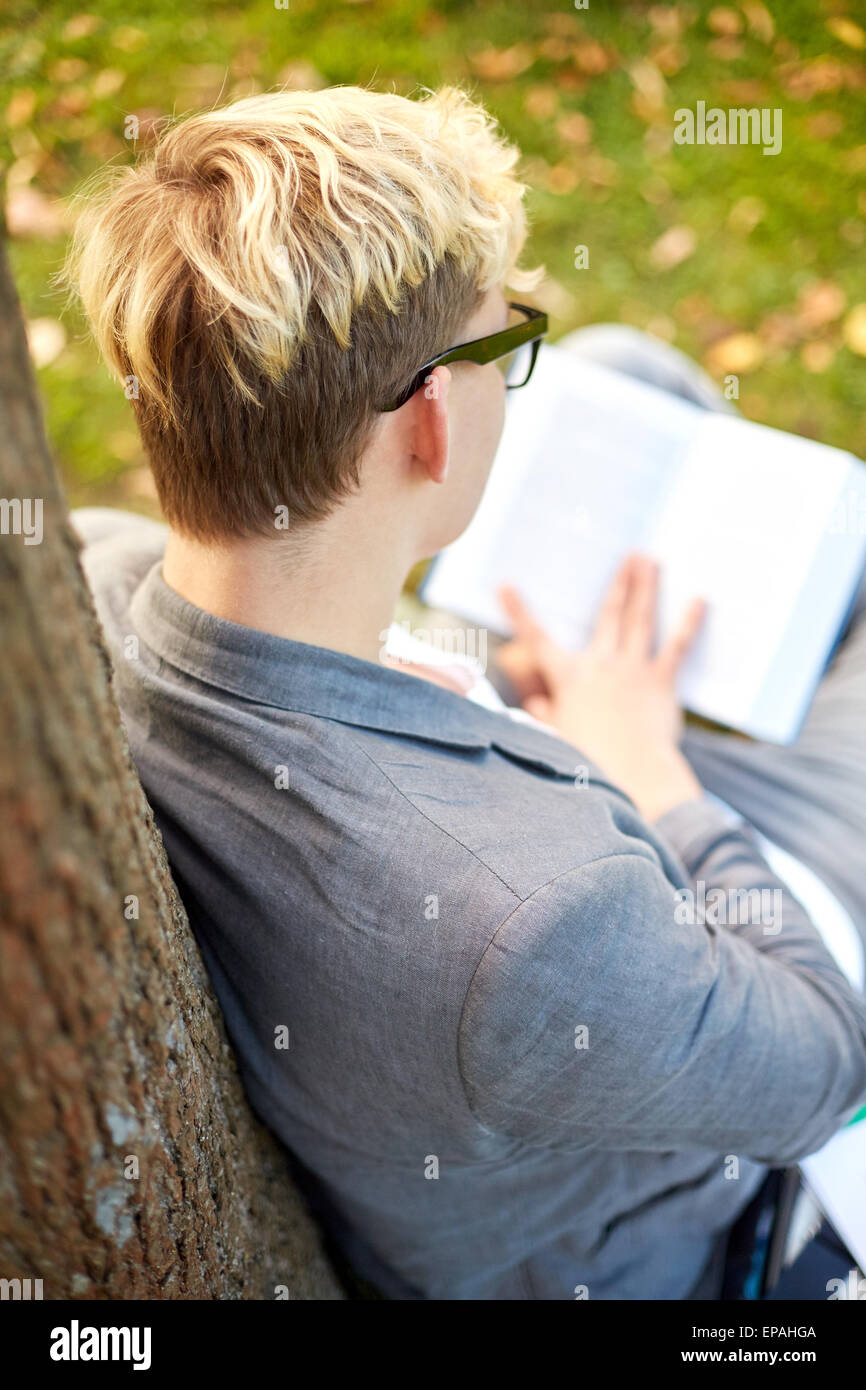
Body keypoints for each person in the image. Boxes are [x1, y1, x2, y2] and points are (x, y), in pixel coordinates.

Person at [67, 85, 866, 1300]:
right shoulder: (539, 927)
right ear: (431, 419)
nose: (513, 371)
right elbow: (819, 1062)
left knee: (621, 374)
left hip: (480, 810)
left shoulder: (88, 576)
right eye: (505, 346)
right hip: (690, 1024)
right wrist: (649, 769)